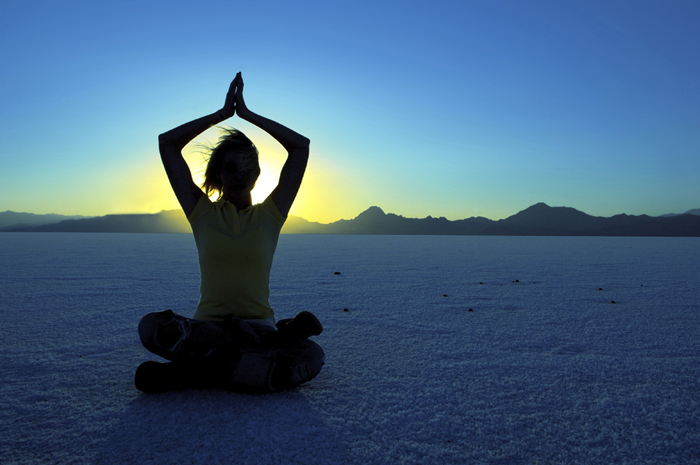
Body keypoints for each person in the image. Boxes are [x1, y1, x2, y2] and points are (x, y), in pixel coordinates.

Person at [135, 72, 324, 393]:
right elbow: (167, 144)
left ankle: (189, 374)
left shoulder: (270, 214)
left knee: (312, 356)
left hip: (259, 328)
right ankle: (260, 356)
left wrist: (248, 115)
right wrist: (223, 114)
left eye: (247, 166)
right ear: (218, 173)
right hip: (208, 328)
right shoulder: (202, 213)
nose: (239, 175)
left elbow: (300, 148)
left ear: (257, 172)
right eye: (231, 167)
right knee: (151, 326)